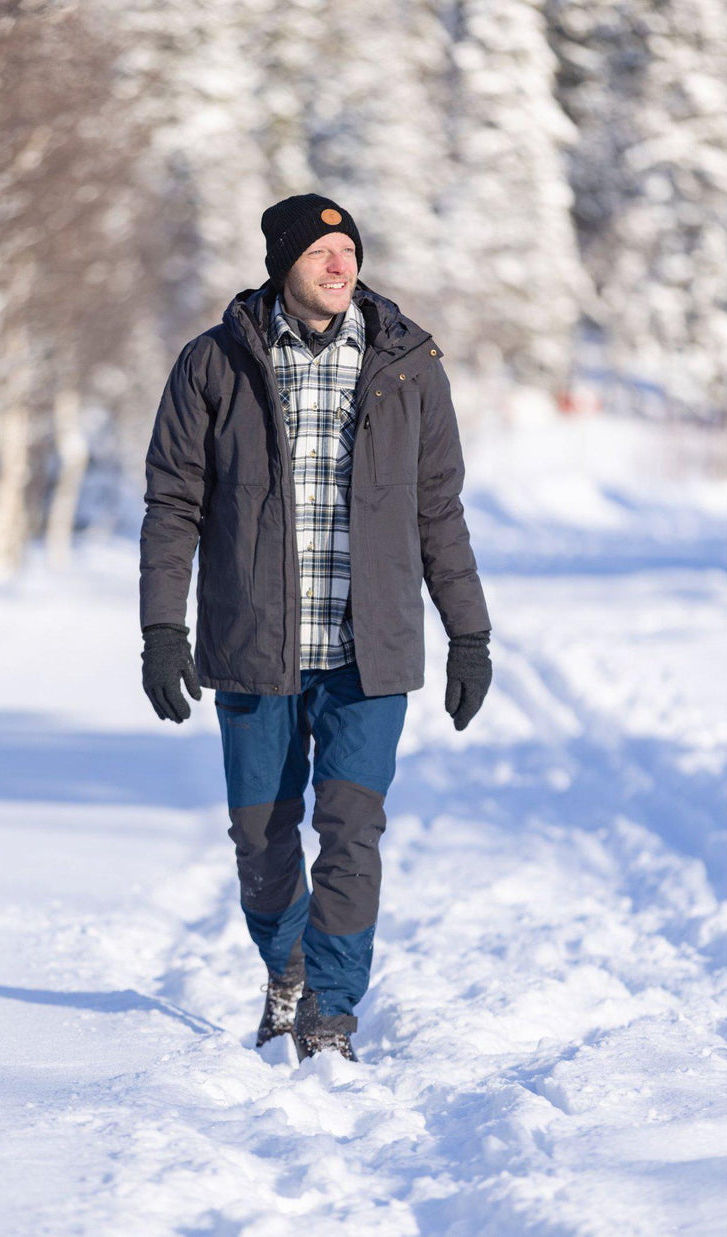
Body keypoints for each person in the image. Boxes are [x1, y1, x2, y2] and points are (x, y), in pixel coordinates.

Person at [139, 193, 492, 1062]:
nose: (341, 266)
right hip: (253, 641)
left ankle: (329, 1011)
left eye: (351, 251)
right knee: (259, 834)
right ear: (282, 263)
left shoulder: (409, 364)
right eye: (322, 252)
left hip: (369, 649)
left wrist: (470, 634)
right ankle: (286, 962)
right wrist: (160, 629)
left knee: (351, 830)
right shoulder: (214, 363)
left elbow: (438, 510)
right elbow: (173, 504)